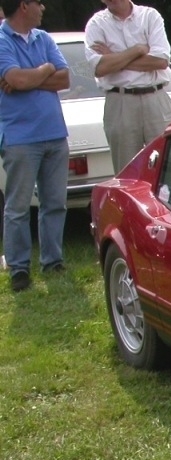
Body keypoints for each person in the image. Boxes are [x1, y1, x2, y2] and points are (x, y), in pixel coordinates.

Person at [0, 0, 70, 293]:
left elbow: (65, 78)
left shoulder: (45, 38)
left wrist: (30, 78)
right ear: (24, 6)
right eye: (39, 2)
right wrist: (45, 68)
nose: (43, 7)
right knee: (17, 207)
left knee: (55, 202)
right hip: (20, 138)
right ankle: (19, 268)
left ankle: (52, 261)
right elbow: (14, 78)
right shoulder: (2, 40)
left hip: (54, 133)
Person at [84, 0, 171, 174]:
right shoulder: (96, 24)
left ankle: (163, 201)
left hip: (155, 98)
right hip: (119, 101)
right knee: (126, 170)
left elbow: (161, 61)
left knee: (166, 167)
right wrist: (137, 50)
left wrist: (114, 58)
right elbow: (100, 68)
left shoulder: (150, 16)